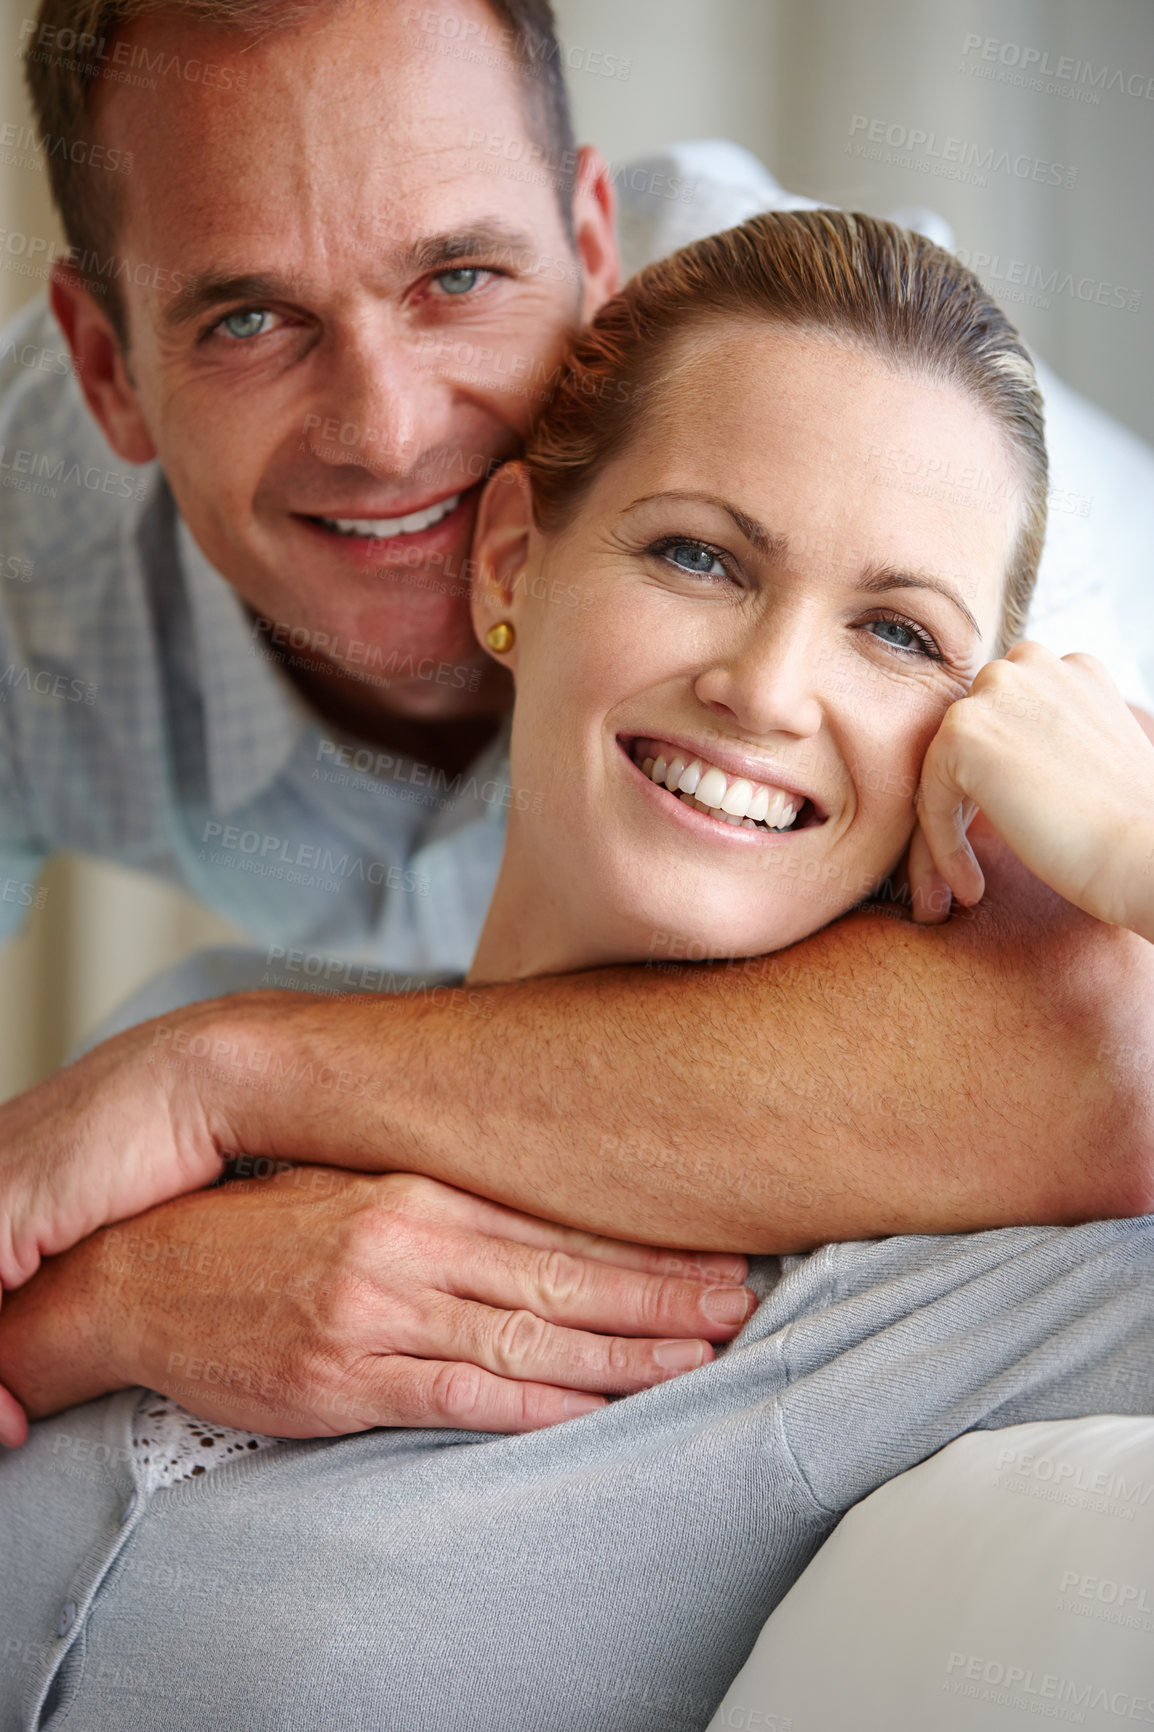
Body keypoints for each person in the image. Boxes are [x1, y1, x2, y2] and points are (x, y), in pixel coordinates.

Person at [3, 210, 1154, 1731]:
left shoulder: (927, 1298)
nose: (763, 685)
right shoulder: (189, 1021)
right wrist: (97, 1315)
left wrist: (1133, 847)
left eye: (893, 633)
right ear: (509, 565)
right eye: (697, 554)